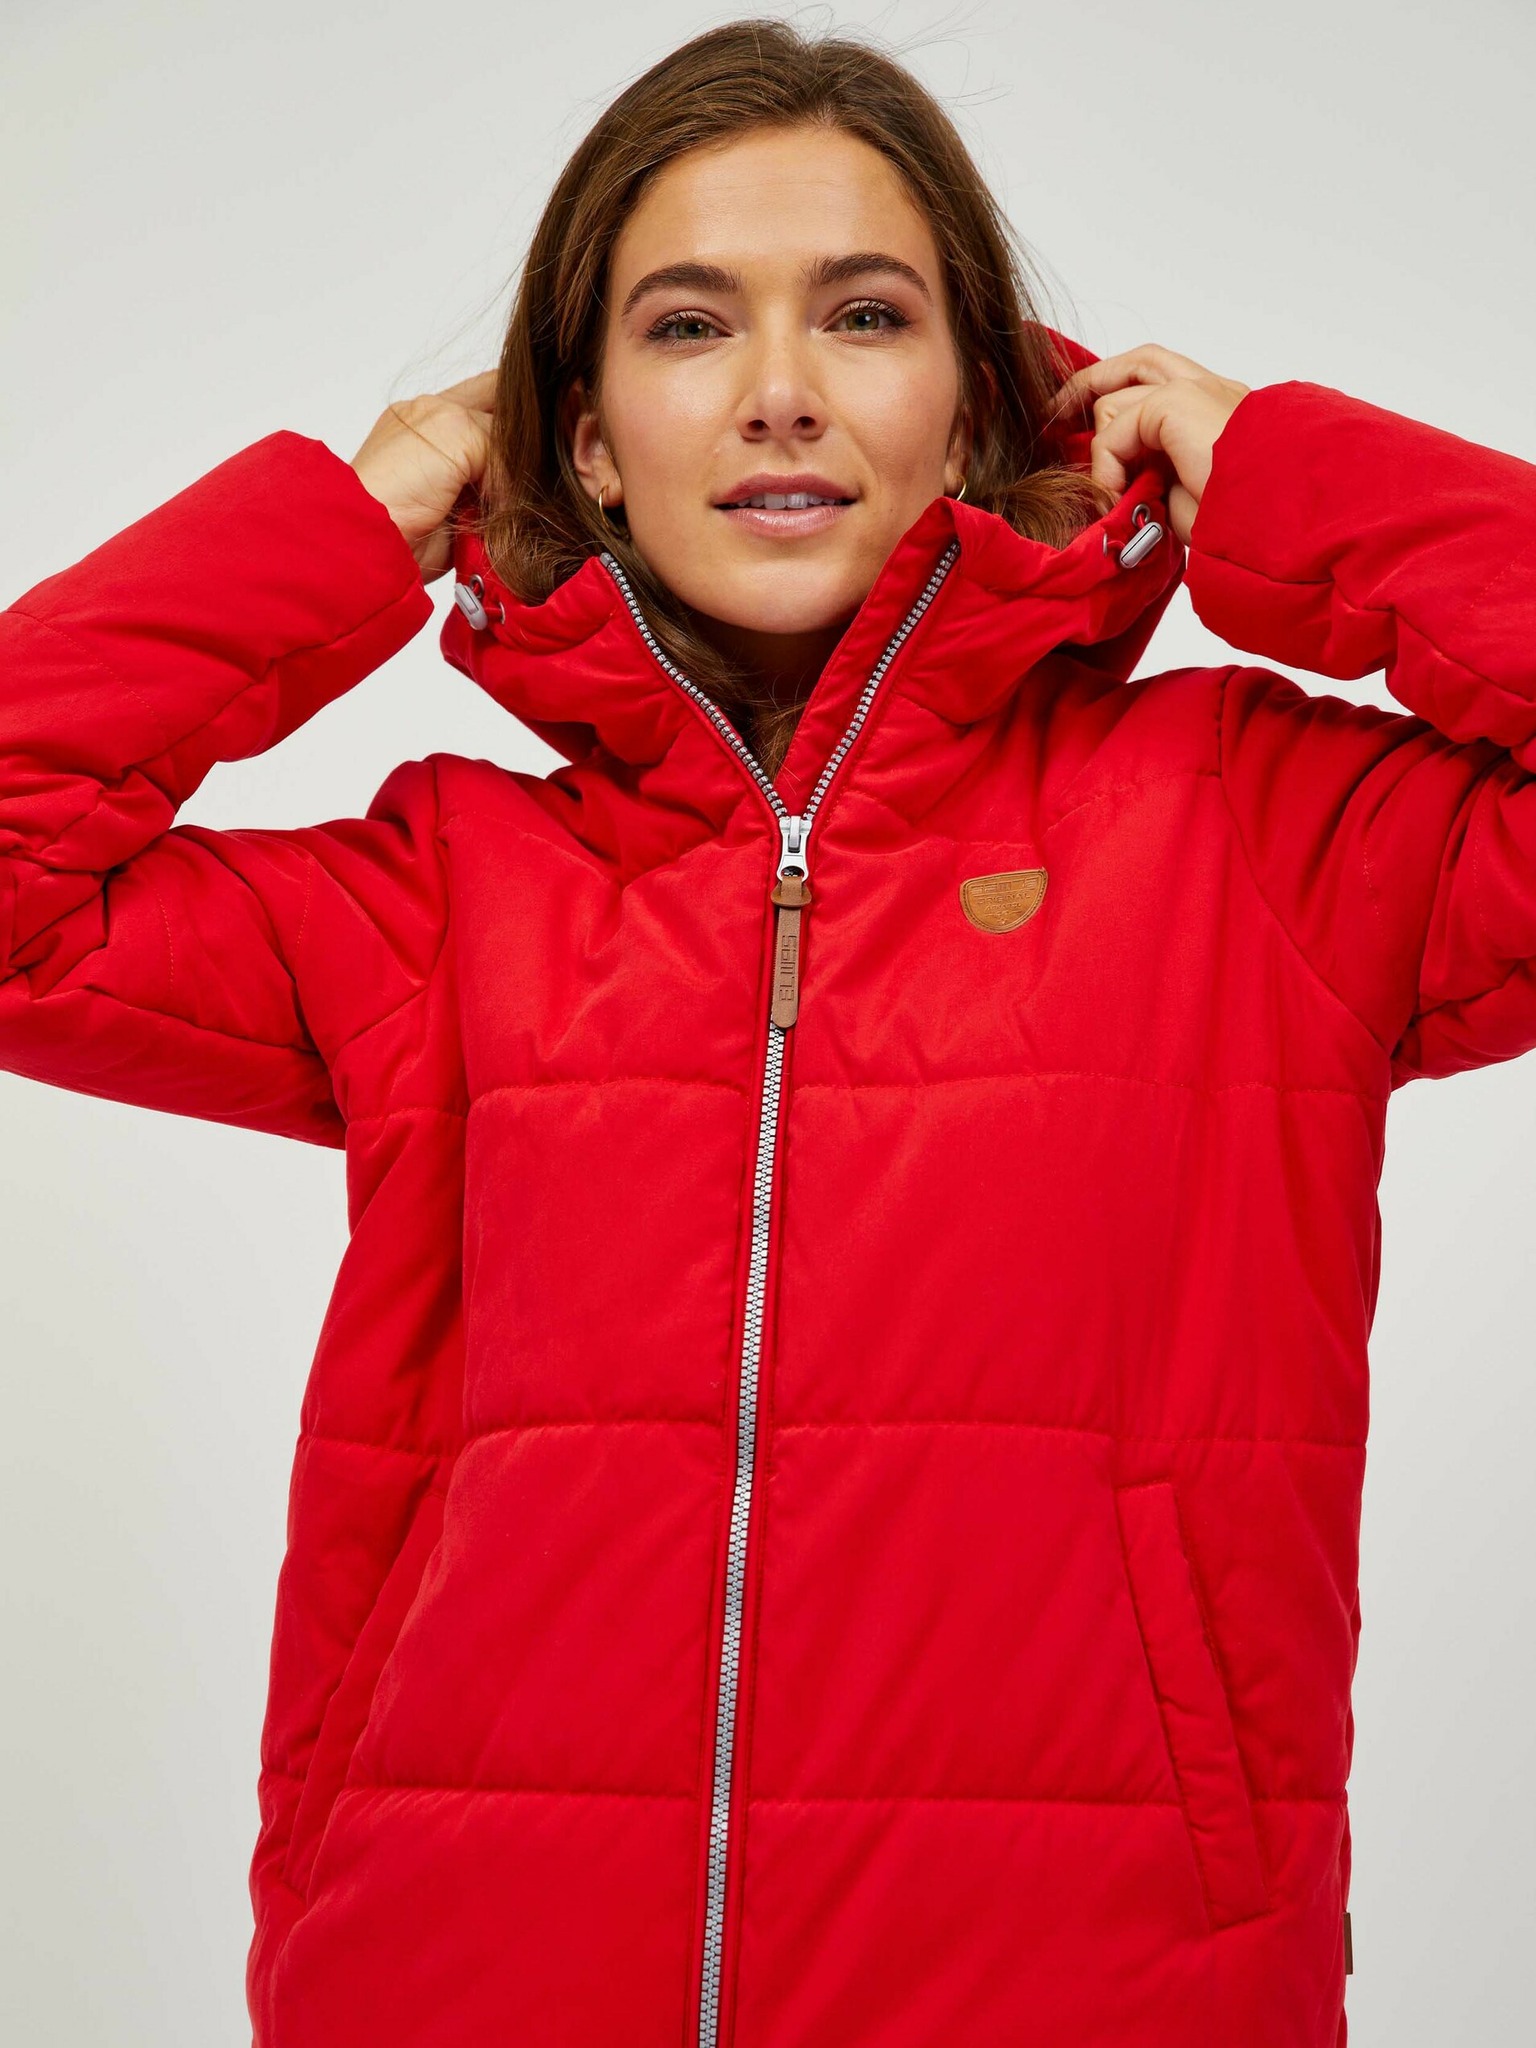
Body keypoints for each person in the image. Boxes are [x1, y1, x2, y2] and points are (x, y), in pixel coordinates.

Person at [3, 16, 1533, 2047]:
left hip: (1098, 1992)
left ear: (984, 409)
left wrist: (1302, 480)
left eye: (868, 315)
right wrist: (350, 523)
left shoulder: (1257, 837)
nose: (782, 391)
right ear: (582, 440)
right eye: (690, 325)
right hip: (456, 1983)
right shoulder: (445, 897)